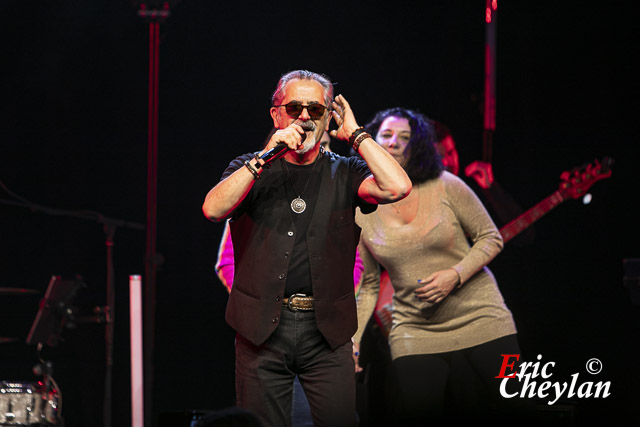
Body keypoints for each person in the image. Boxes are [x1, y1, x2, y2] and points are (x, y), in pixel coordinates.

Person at [202, 70, 411, 427]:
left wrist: (357, 135)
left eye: (316, 110)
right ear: (276, 114)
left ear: (329, 116)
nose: (304, 117)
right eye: (295, 107)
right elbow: (212, 209)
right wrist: (266, 156)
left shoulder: (346, 172)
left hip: (326, 332)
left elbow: (397, 188)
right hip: (261, 331)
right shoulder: (250, 167)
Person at [352, 107, 524, 425]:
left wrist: (455, 275)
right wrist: (355, 342)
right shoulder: (363, 206)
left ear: (417, 145)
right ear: (370, 141)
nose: (393, 142)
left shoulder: (446, 184)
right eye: (386, 135)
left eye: (404, 137)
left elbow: (491, 238)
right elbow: (369, 285)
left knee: (512, 410)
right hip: (414, 328)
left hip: (480, 318)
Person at [214, 131, 365, 427]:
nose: (316, 155)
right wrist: (262, 300)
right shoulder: (254, 180)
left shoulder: (339, 182)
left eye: (324, 148)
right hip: (265, 328)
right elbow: (226, 260)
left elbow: (355, 262)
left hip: (325, 327)